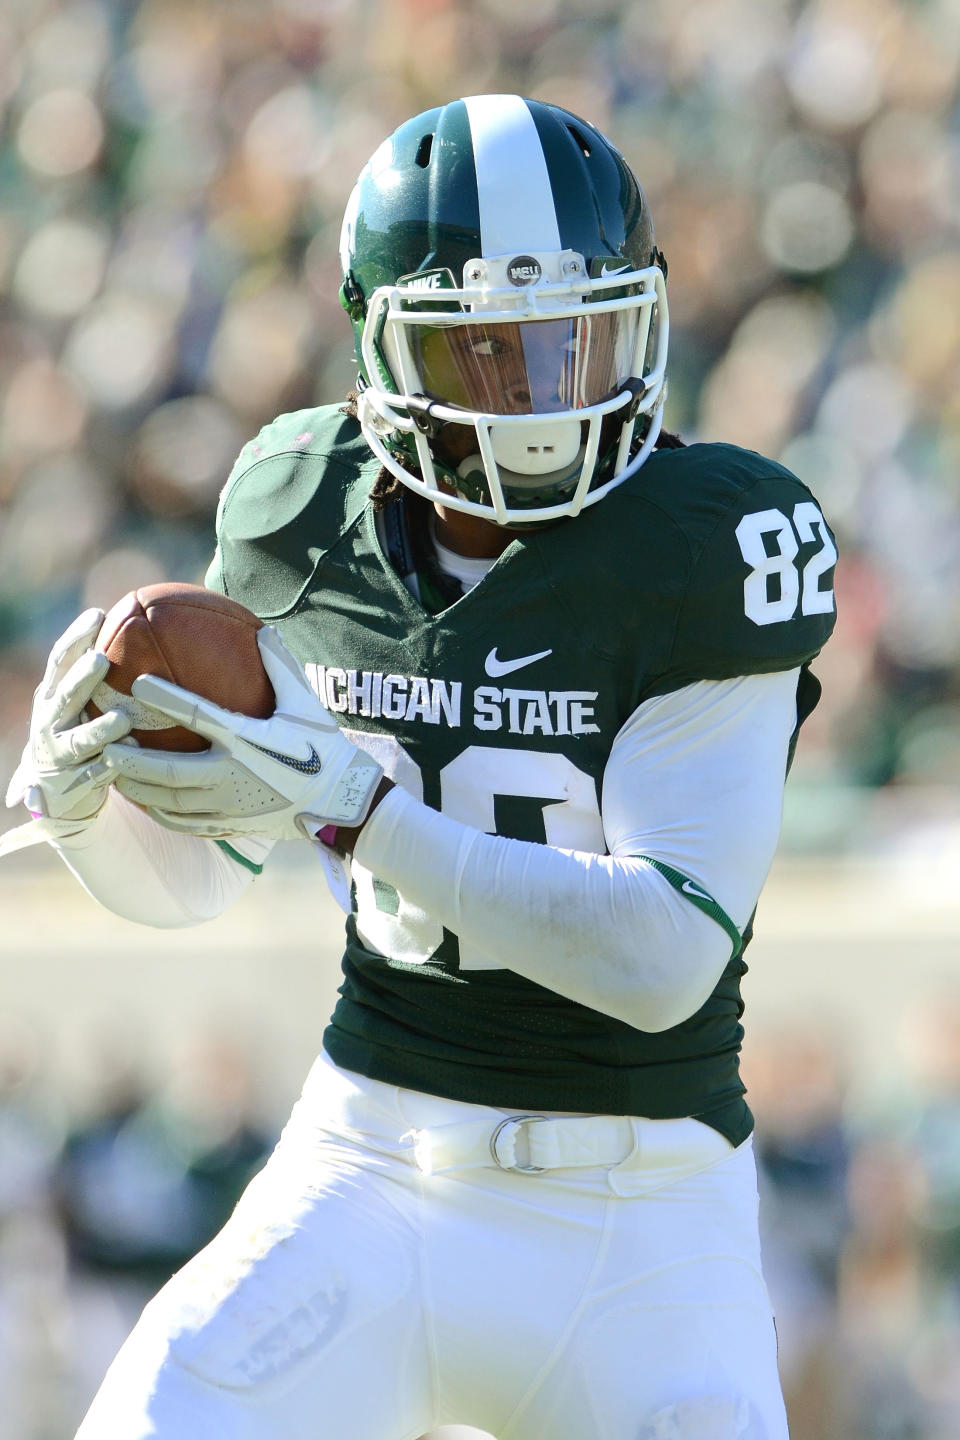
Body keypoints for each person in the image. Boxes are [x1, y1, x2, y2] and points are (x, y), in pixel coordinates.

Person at [6, 95, 837, 1440]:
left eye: (577, 342)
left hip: (639, 1211)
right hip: (375, 1161)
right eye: (494, 357)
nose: (549, 400)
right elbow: (196, 880)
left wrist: (367, 812)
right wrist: (96, 799)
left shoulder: (708, 546)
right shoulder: (297, 508)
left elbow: (663, 956)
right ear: (383, 345)